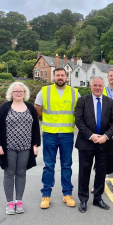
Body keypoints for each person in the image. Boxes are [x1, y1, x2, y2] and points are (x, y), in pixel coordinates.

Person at [35, 67, 79, 209]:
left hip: (67, 134)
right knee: (49, 166)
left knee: (66, 165)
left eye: (63, 75)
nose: (60, 77)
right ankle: (46, 195)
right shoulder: (45, 91)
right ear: (54, 77)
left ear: (67, 77)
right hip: (49, 134)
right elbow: (37, 108)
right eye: (58, 75)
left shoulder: (75, 93)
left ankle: (67, 194)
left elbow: (80, 111)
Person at [0, 82, 41, 215]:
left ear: (25, 93)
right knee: (9, 174)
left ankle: (19, 201)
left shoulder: (30, 108)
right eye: (16, 91)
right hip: (9, 148)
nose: (19, 93)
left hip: (25, 147)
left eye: (21, 91)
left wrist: (35, 145)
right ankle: (9, 203)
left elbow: (36, 128)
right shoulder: (5, 108)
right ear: (11, 93)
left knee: (21, 174)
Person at [75, 76, 113, 212]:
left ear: (103, 87)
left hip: (103, 143)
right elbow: (79, 120)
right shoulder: (82, 101)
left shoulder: (110, 102)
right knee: (84, 172)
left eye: (100, 85)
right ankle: (83, 199)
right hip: (86, 142)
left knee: (101, 172)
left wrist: (106, 136)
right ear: (91, 86)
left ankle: (98, 198)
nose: (98, 88)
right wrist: (91, 136)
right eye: (95, 85)